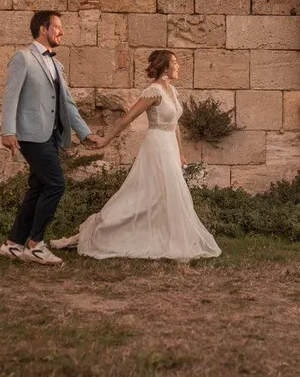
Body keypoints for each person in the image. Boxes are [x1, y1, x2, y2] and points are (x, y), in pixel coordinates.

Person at [50, 50, 221, 262]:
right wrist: (106, 139)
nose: (178, 66)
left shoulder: (172, 91)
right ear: (165, 67)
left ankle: (161, 236)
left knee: (162, 197)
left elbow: (175, 124)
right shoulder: (153, 91)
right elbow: (127, 118)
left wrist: (181, 153)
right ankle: (97, 232)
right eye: (175, 63)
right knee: (144, 194)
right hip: (157, 147)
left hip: (170, 147)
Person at [0, 10, 102, 266]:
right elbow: (10, 95)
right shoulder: (23, 57)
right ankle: (36, 245)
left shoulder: (57, 65)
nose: (61, 32)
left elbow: (67, 103)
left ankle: (13, 244)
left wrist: (84, 132)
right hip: (31, 134)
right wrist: (7, 130)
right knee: (56, 184)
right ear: (43, 29)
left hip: (52, 135)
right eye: (57, 27)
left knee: (38, 188)